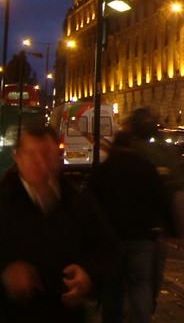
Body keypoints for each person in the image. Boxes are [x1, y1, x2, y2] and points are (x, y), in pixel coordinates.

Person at [0, 123, 114, 322]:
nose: (41, 163)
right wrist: (6, 274)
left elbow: (107, 249)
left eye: (47, 154)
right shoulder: (4, 202)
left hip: (66, 315)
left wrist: (88, 275)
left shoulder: (79, 201)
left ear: (59, 158)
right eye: (32, 155)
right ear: (18, 158)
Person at [89, 131, 181, 322]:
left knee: (113, 286)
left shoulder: (104, 169)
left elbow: (90, 204)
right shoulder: (145, 167)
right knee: (140, 285)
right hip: (142, 237)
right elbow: (162, 198)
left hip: (112, 239)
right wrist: (172, 228)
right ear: (132, 146)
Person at [124, 108, 184, 314]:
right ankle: (147, 308)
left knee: (134, 276)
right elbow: (174, 184)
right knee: (151, 274)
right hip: (156, 225)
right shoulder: (163, 148)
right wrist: (174, 228)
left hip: (129, 225)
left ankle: (134, 310)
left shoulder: (130, 147)